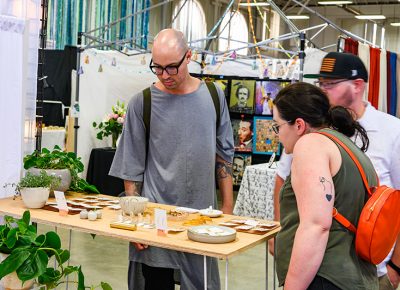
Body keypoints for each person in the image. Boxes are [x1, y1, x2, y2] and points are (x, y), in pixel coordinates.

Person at [109, 28, 234, 290]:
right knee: (155, 284)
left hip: (203, 221)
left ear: (189, 56)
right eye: (158, 68)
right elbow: (131, 169)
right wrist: (134, 223)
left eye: (171, 68)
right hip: (156, 221)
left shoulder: (213, 96)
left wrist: (227, 210)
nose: (165, 75)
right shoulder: (142, 102)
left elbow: (224, 155)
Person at [270, 52, 400, 290]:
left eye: (277, 126)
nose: (277, 135)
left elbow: (316, 225)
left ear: (299, 125)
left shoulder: (311, 145)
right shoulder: (345, 145)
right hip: (354, 276)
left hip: (326, 277)